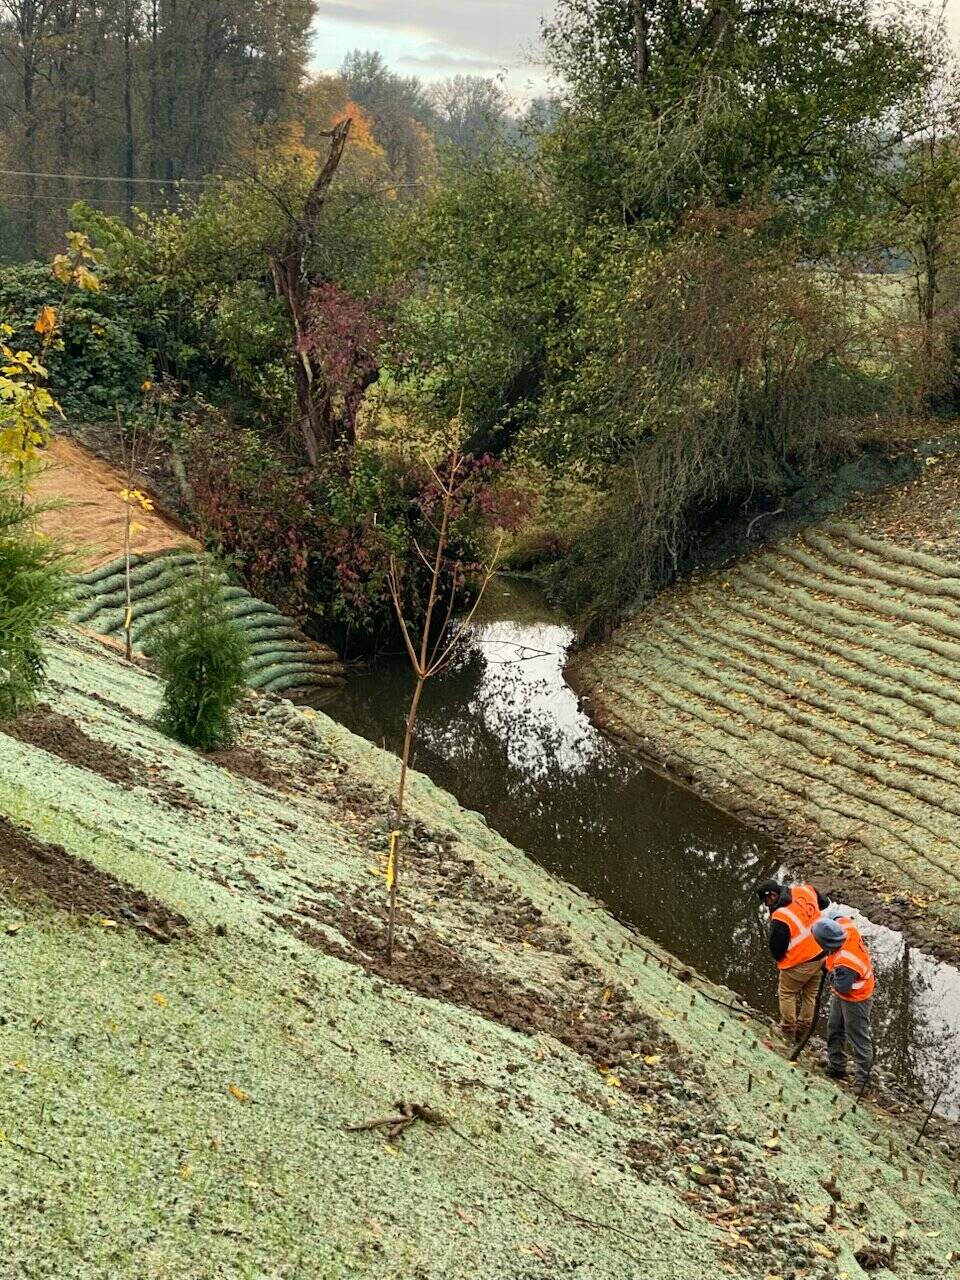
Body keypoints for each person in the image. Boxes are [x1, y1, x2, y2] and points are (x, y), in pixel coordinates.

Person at [755, 879, 831, 1044]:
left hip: (800, 961)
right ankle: (803, 1032)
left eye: (766, 901)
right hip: (822, 955)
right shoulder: (805, 890)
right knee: (810, 996)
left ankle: (788, 1031)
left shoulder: (781, 916)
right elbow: (824, 902)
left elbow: (777, 950)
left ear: (773, 895)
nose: (766, 905)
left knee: (787, 993)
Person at [811, 915, 875, 1089]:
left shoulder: (845, 962)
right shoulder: (845, 927)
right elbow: (839, 916)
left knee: (858, 1036)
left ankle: (863, 1081)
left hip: (856, 997)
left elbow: (842, 987)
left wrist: (829, 973)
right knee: (834, 1027)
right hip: (843, 993)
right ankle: (837, 1066)